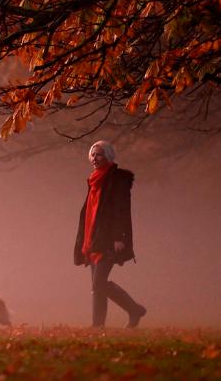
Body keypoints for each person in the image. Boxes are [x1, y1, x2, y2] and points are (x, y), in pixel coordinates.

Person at [74, 139, 147, 328]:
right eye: (93, 154)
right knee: (97, 286)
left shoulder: (117, 179)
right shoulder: (93, 180)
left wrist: (119, 237)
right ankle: (98, 325)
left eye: (99, 154)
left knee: (99, 283)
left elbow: (121, 210)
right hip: (94, 238)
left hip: (108, 239)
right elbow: (90, 212)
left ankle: (134, 309)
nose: (95, 158)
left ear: (108, 156)